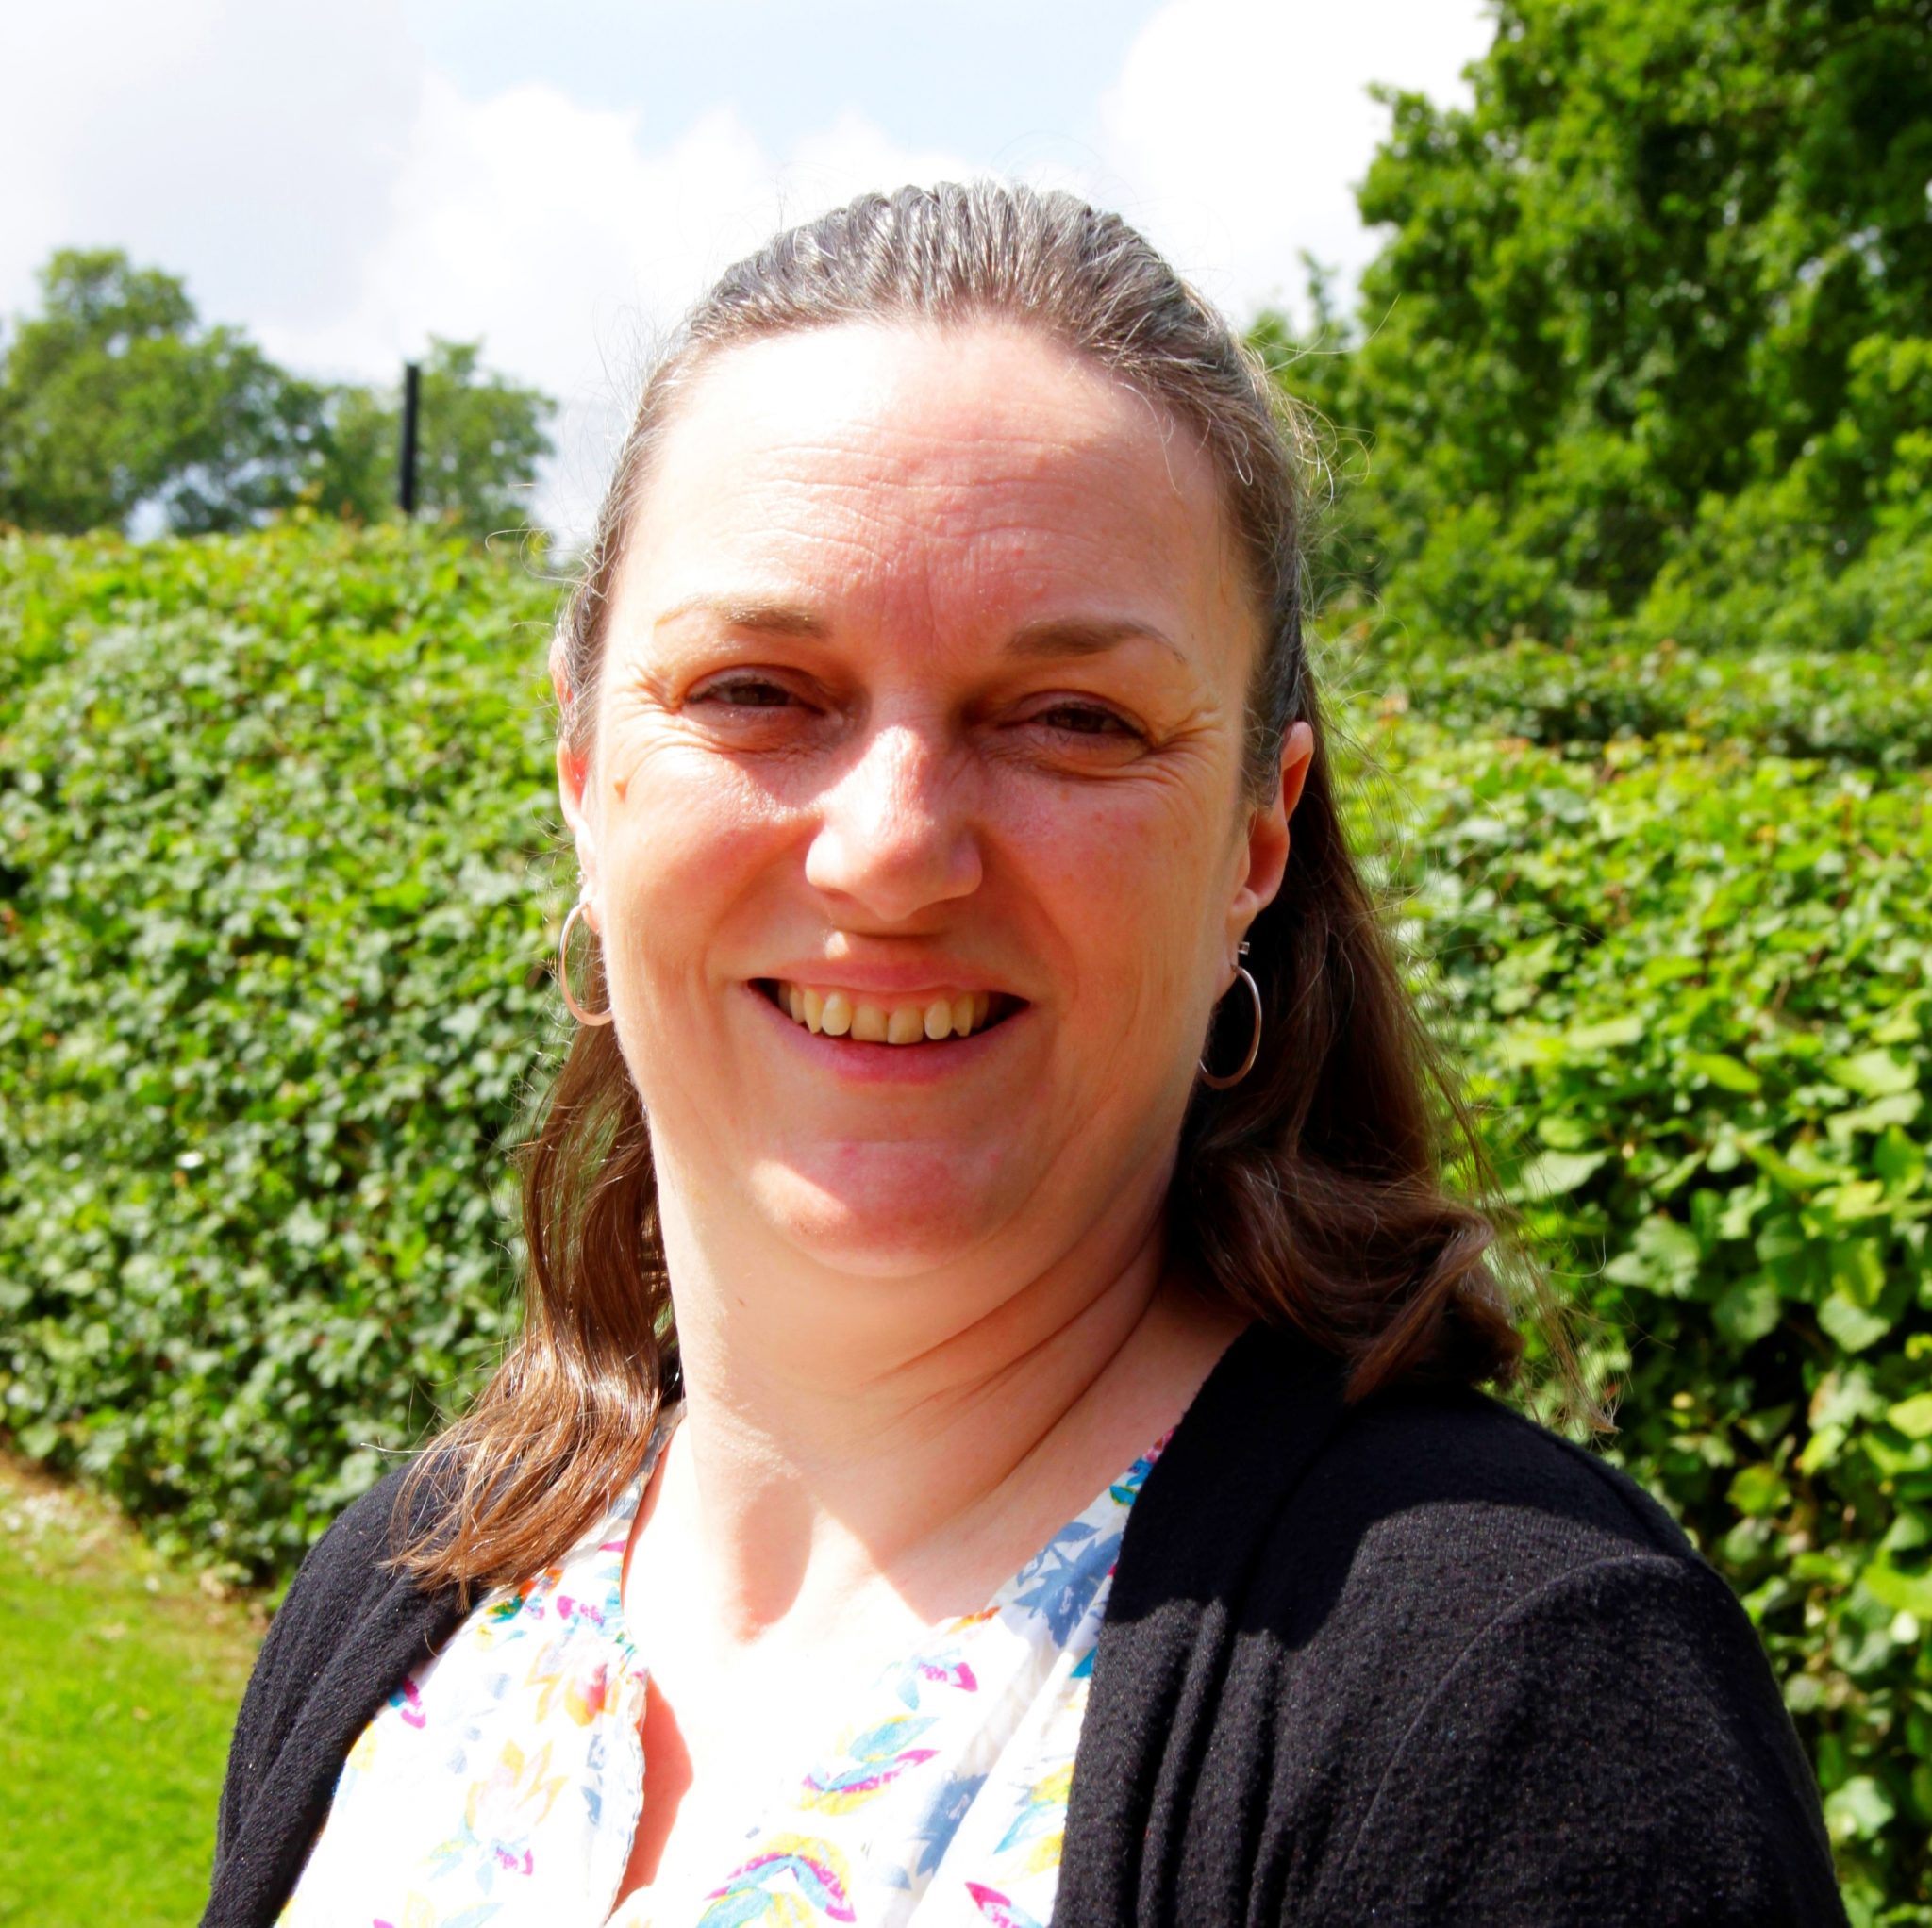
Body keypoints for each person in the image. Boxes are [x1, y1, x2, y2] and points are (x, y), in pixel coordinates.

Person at [204, 182, 1844, 1928]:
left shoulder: (1517, 1710)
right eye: (757, 689)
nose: (892, 850)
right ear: (585, 774)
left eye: (1073, 720)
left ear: (1258, 837)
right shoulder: (410, 1604)